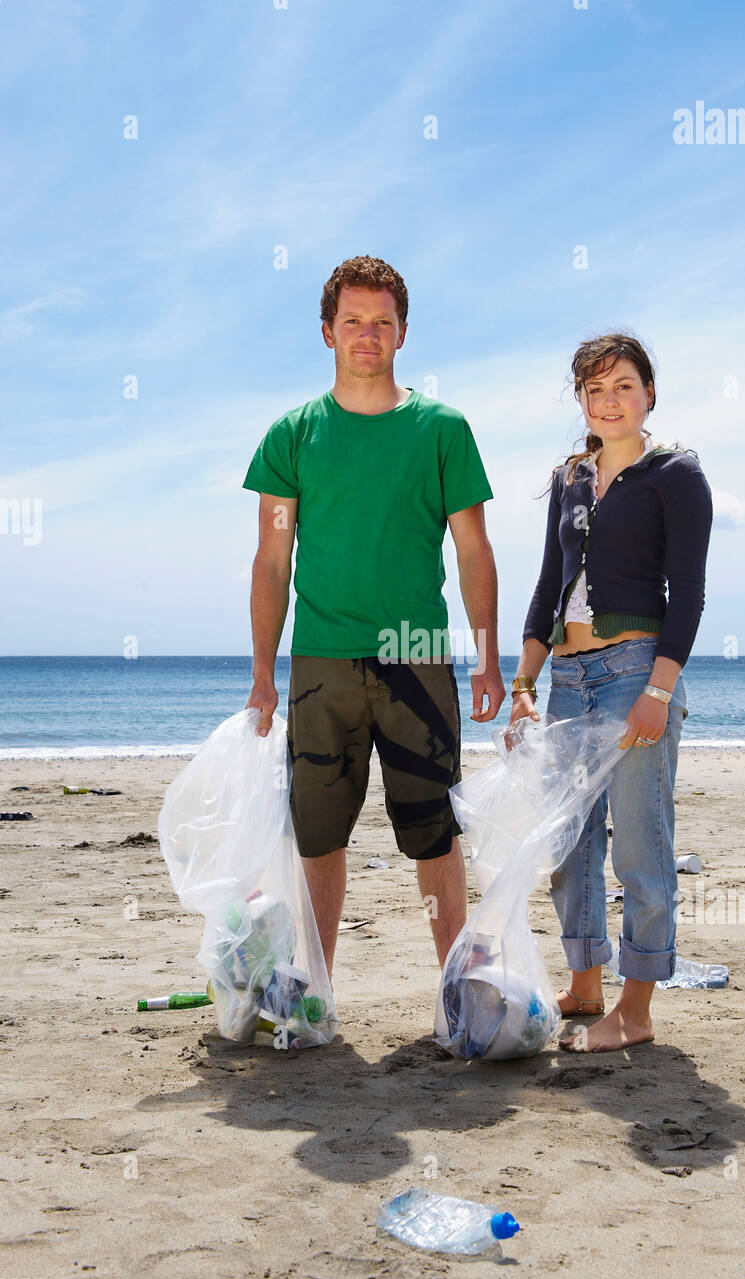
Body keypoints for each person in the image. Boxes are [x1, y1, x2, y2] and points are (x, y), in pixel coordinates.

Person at [242, 255, 505, 981]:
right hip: (322, 658)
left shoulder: (442, 428)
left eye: (381, 323)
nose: (367, 335)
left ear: (403, 333)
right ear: (327, 332)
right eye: (352, 321)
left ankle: (457, 988)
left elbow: (473, 549)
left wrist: (486, 657)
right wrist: (264, 676)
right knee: (318, 834)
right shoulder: (292, 435)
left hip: (417, 653)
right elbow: (271, 562)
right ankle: (315, 988)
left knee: (433, 832)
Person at [510, 333, 712, 1053]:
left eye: (623, 386)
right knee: (569, 840)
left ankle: (635, 1009)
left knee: (641, 846)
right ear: (581, 401)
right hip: (567, 676)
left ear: (648, 393)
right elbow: (545, 586)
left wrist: (660, 690)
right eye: (595, 390)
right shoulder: (569, 478)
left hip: (635, 671)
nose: (610, 401)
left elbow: (688, 592)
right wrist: (523, 684)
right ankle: (587, 979)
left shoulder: (675, 473)